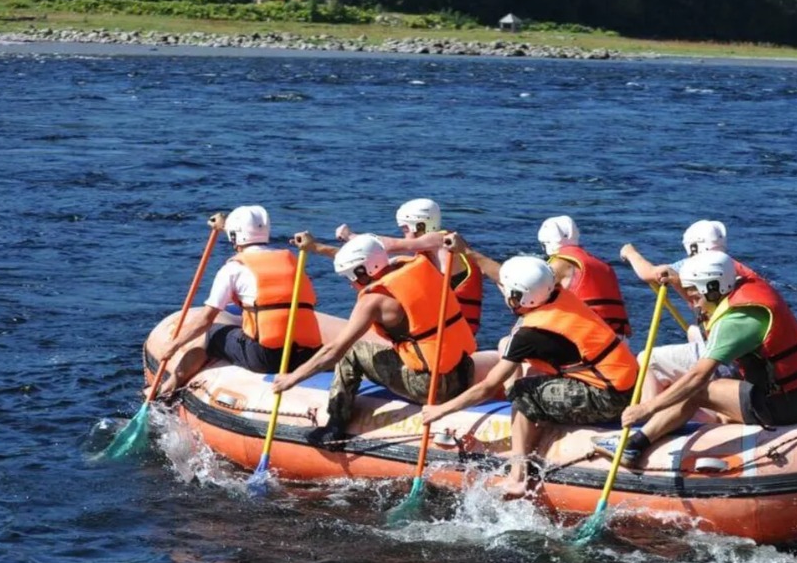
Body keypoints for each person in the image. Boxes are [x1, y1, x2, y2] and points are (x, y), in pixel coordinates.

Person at [421, 238, 639, 497]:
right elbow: (506, 279)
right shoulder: (556, 293)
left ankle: (517, 475)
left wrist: (440, 410)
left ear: (517, 298)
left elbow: (489, 387)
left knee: (523, 391)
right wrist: (466, 251)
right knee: (536, 377)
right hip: (626, 386)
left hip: (608, 398)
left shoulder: (528, 334)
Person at [591, 250, 797, 466]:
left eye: (693, 290)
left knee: (698, 391)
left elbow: (697, 377)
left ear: (712, 287)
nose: (690, 296)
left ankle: (633, 446)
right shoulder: (749, 284)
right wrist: (675, 278)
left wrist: (647, 408)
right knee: (706, 386)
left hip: (784, 407)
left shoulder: (737, 320)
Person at [272, 233, 478, 443]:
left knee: (351, 352)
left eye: (350, 278)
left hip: (431, 387)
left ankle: (335, 424)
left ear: (362, 273)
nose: (350, 284)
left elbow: (333, 351)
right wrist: (315, 247)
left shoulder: (373, 301)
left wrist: (291, 379)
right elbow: (368, 258)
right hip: (464, 372)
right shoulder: (412, 266)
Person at [158, 206, 322, 397]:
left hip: (267, 359)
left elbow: (205, 320)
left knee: (212, 334)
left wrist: (174, 345)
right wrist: (224, 225)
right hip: (309, 355)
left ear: (234, 236)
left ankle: (168, 389)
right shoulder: (292, 260)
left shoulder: (233, 268)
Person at [619, 219, 758, 391]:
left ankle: (652, 412)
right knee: (693, 331)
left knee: (647, 359)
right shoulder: (733, 267)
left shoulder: (691, 266)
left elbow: (648, 273)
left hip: (726, 356)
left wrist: (630, 253)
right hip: (742, 350)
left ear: (693, 246)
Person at [335, 198, 484, 335]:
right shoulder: (437, 250)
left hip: (454, 327)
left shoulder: (440, 240)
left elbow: (392, 245)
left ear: (420, 225)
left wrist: (351, 237)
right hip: (454, 324)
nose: (404, 234)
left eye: (405, 229)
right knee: (395, 264)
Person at [537, 215, 632, 338]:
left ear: (547, 244)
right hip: (618, 339)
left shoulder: (559, 265)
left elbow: (532, 297)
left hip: (586, 337)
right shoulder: (602, 265)